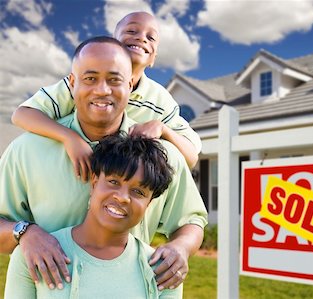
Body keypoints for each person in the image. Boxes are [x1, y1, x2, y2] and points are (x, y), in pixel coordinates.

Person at [0, 36, 207, 292]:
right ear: (72, 83)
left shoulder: (161, 156)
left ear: (130, 85)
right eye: (90, 79)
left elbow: (191, 220)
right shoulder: (27, 150)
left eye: (114, 79)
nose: (102, 90)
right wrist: (25, 232)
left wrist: (181, 247)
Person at [11, 11, 201, 180]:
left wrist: (163, 129)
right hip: (69, 174)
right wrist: (69, 138)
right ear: (113, 43)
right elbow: (22, 114)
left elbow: (191, 157)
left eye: (151, 38)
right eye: (132, 31)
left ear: (153, 59)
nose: (142, 38)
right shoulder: (83, 83)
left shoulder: (160, 99)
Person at [5, 133, 181, 298]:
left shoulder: (163, 270)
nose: (122, 197)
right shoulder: (34, 254)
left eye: (138, 192)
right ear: (94, 183)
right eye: (113, 182)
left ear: (148, 204)